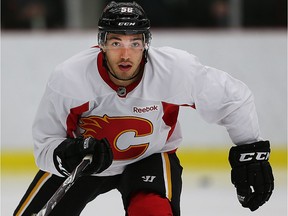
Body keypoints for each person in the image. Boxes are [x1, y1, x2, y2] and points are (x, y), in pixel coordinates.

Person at [14, 1, 274, 216]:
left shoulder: (174, 71)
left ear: (146, 44)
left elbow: (233, 99)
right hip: (86, 163)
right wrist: (67, 154)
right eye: (116, 43)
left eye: (135, 43)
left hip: (149, 158)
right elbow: (45, 144)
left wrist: (249, 152)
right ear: (102, 44)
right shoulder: (70, 79)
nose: (126, 54)